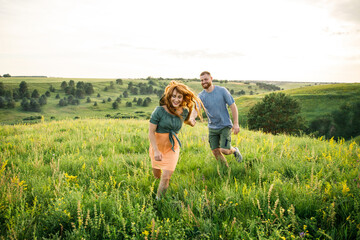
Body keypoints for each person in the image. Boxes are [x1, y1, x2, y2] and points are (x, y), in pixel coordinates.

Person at [149, 81, 204, 199]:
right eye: (174, 96)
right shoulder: (159, 111)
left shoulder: (183, 111)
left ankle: (158, 202)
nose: (176, 99)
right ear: (169, 96)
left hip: (172, 148)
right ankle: (153, 190)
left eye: (179, 97)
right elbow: (151, 132)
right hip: (157, 147)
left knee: (166, 176)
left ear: (183, 98)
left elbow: (189, 121)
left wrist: (193, 117)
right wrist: (156, 151)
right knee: (157, 175)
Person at [198, 71, 242, 167]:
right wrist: (192, 118)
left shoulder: (222, 91)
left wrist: (236, 123)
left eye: (205, 79)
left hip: (225, 125)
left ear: (211, 79)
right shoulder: (201, 96)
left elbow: (233, 106)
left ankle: (234, 150)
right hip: (212, 127)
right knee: (215, 151)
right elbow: (196, 108)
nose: (203, 82)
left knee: (225, 150)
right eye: (201, 80)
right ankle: (226, 170)